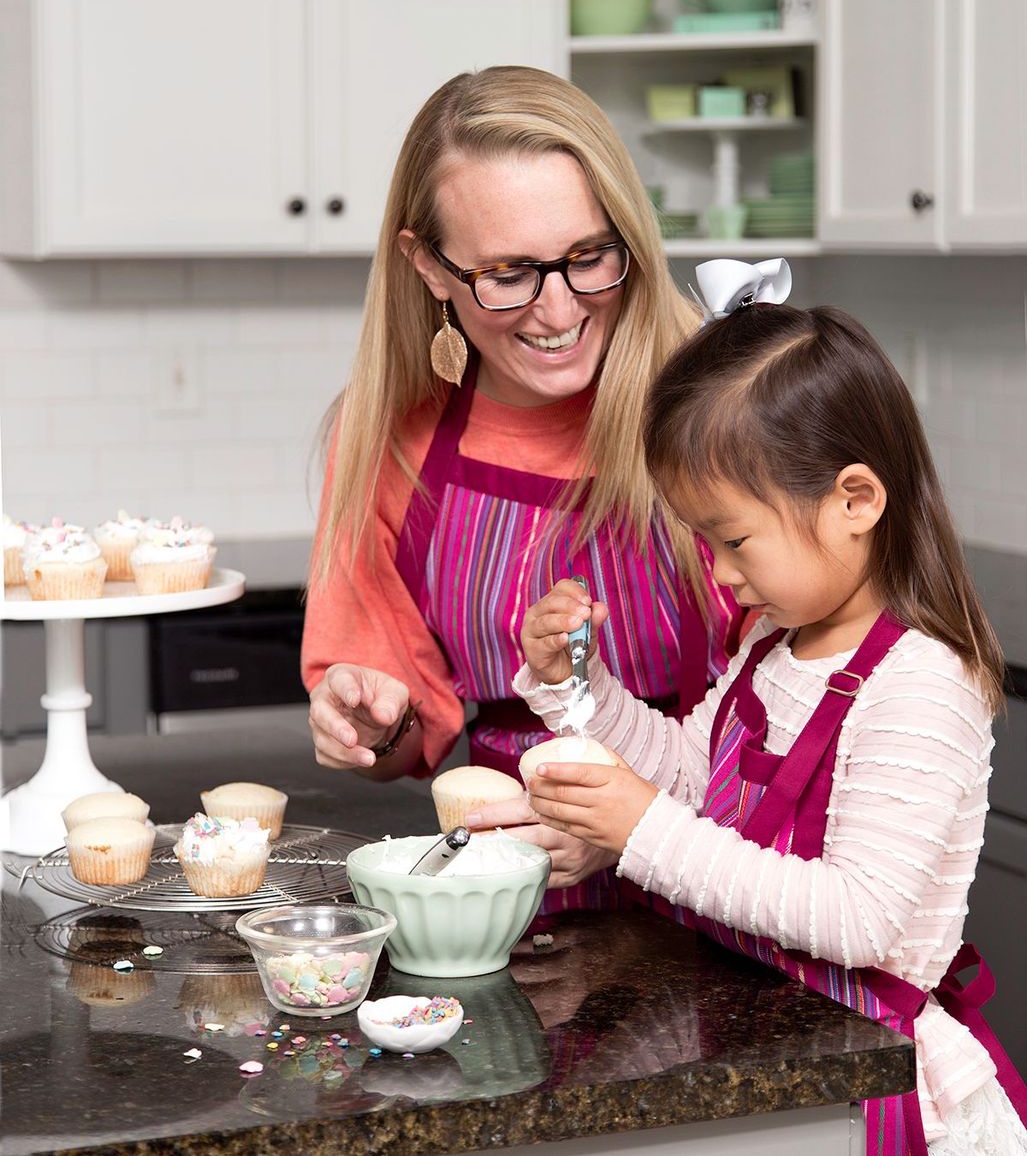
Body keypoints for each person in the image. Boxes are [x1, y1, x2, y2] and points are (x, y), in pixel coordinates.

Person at [515, 262, 1027, 1154]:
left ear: (854, 500)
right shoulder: (772, 644)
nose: (717, 572)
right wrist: (579, 689)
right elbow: (686, 772)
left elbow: (860, 917)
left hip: (869, 1070)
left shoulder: (919, 683)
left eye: (733, 538)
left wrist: (642, 834)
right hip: (768, 1034)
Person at [301, 67, 742, 910]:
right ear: (428, 266)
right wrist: (368, 723)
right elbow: (408, 737)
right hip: (511, 900)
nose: (556, 310)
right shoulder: (390, 434)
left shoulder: (723, 403)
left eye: (588, 257)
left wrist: (631, 821)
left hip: (732, 884)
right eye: (507, 273)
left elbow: (819, 716)